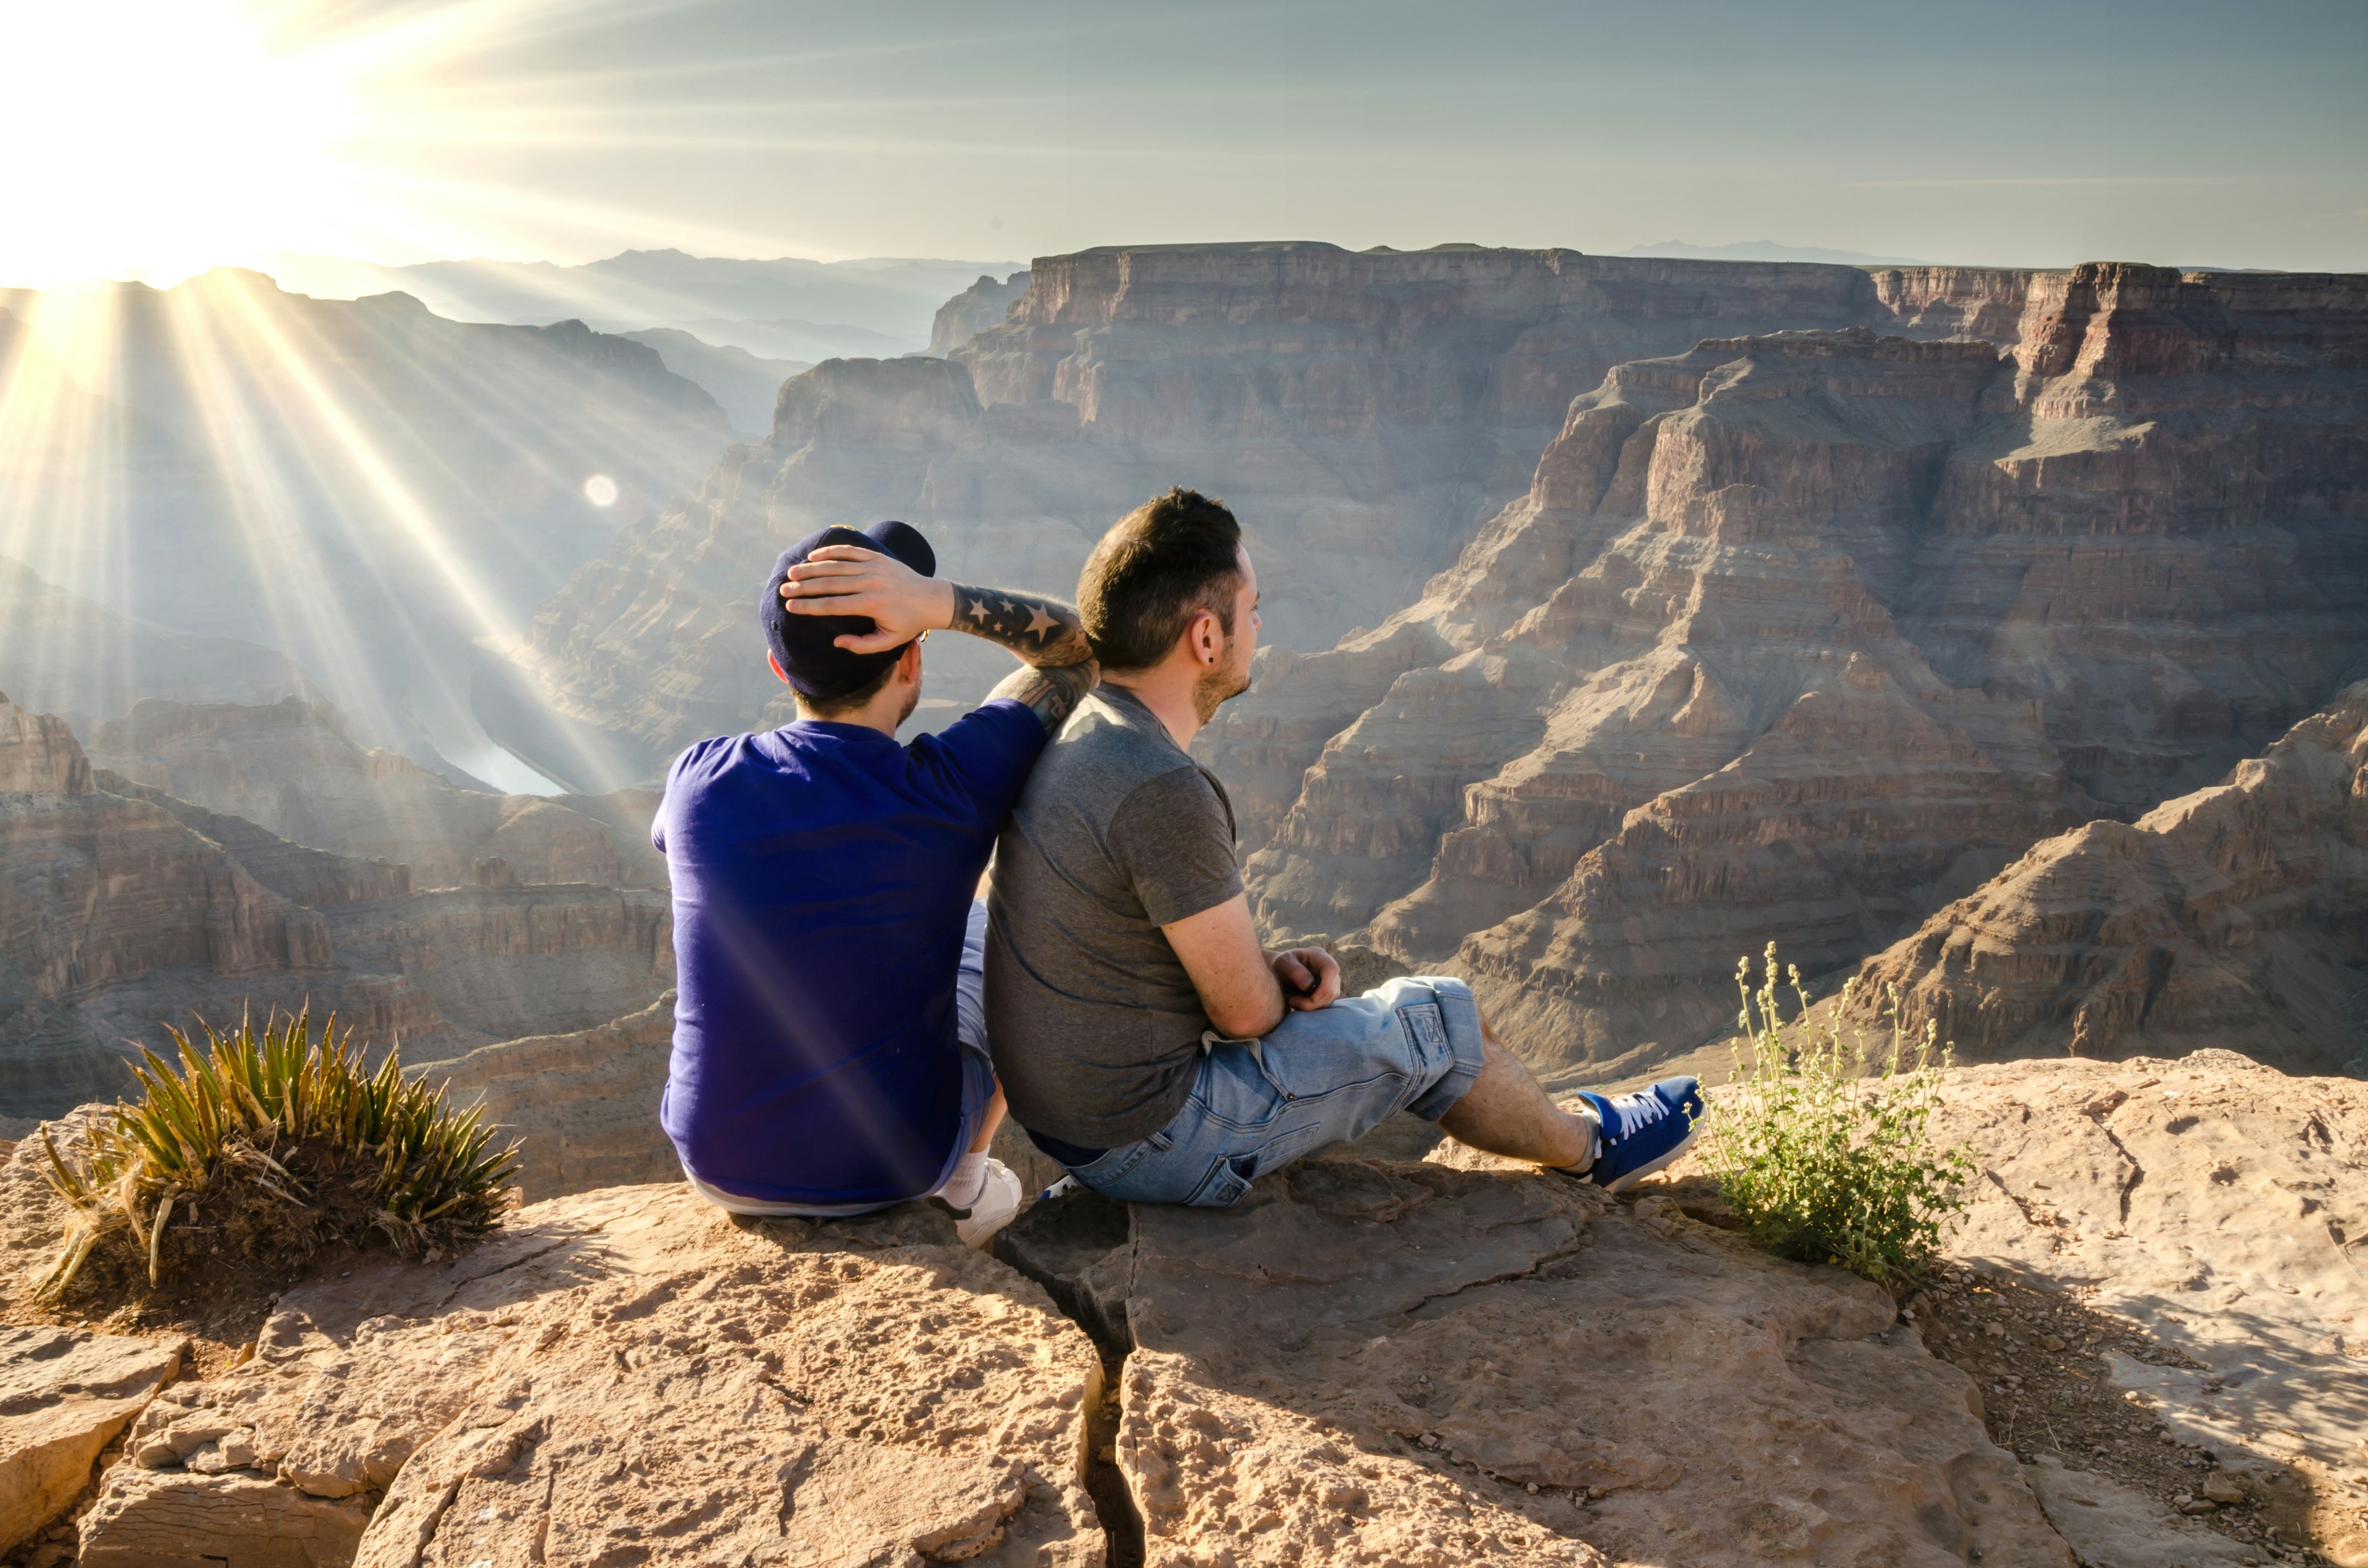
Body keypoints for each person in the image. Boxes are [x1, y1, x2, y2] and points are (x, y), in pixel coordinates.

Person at [985, 488, 1703, 1206]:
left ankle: (1570, 1125)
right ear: (1206, 639)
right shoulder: (1160, 788)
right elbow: (1246, 1018)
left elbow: (1131, 944)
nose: (1261, 625)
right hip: (1162, 1140)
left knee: (1427, 1010)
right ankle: (1591, 1149)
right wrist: (1265, 988)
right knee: (1440, 1018)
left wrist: (1262, 965)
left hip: (1075, 1125)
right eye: (1252, 608)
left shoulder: (1076, 720)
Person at [652, 518, 1095, 1246]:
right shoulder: (951, 788)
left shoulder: (698, 777)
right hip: (895, 1169)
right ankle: (963, 1183)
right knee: (1014, 926)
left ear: (777, 667)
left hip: (717, 1165)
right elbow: (1077, 652)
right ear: (910, 663)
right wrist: (940, 603)